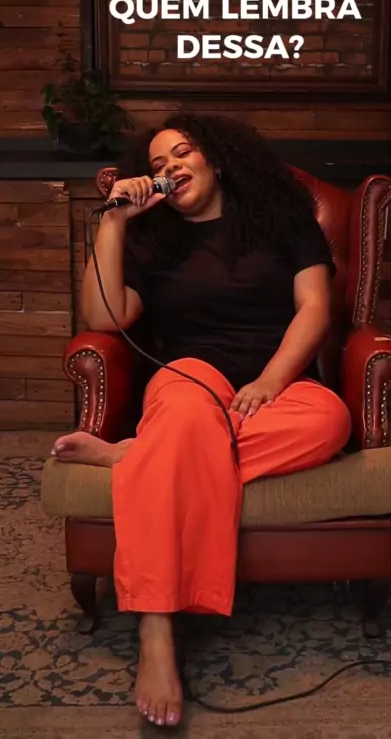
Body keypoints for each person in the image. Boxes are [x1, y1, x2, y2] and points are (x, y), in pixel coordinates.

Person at [51, 112, 352, 728]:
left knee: (330, 419)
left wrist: (270, 381)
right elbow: (103, 318)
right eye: (158, 164)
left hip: (274, 385)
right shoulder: (150, 236)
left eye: (183, 153)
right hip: (190, 377)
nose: (170, 168)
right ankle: (157, 628)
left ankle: (139, 455)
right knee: (187, 417)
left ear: (215, 158)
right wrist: (115, 221)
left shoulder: (282, 218)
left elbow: (315, 309)